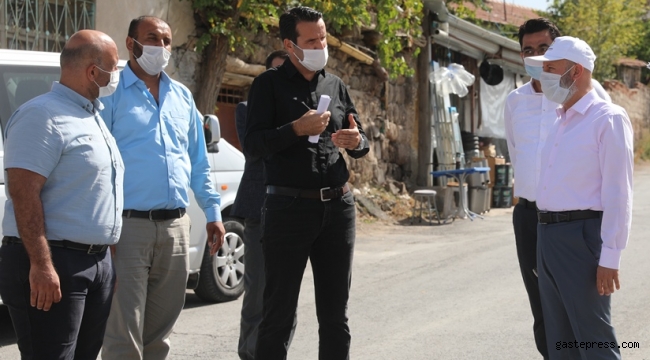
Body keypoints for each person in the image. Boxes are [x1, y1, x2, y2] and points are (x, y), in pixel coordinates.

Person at [244, 6, 369, 359]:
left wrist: (355, 142)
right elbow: (253, 146)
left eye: (323, 37)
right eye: (311, 40)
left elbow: (362, 139)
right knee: (278, 315)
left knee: (335, 316)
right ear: (290, 44)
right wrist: (295, 129)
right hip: (289, 209)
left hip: (338, 207)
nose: (321, 44)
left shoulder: (336, 84)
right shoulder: (267, 85)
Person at [100, 16, 225, 359]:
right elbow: (97, 164)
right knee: (123, 333)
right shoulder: (110, 94)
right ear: (131, 43)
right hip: (127, 228)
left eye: (167, 40)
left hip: (175, 228)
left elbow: (198, 162)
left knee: (160, 334)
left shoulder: (182, 97)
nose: (161, 46)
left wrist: (213, 212)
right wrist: (104, 229)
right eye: (152, 38)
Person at [0, 30, 124, 359]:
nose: (117, 76)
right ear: (93, 71)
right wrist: (42, 265)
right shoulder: (42, 115)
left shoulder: (92, 117)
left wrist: (108, 261)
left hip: (93, 263)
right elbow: (23, 193)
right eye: (114, 68)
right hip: (54, 261)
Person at [504, 19, 614, 359]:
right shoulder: (514, 102)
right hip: (530, 219)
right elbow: (515, 154)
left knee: (587, 319)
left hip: (577, 223)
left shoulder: (589, 100)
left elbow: (612, 178)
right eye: (528, 51)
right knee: (544, 313)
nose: (535, 57)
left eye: (544, 49)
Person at [524, 36, 633, 359]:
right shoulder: (559, 120)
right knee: (561, 341)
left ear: (577, 72)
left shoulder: (607, 119)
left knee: (593, 340)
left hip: (581, 237)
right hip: (548, 235)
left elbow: (619, 191)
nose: (545, 78)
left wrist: (610, 256)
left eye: (551, 69)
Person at [232, 49, 297, 360]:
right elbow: (256, 150)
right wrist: (294, 130)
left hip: (295, 210)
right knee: (258, 291)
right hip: (259, 208)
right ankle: (250, 353)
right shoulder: (247, 109)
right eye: (275, 73)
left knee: (287, 294)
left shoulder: (304, 112)